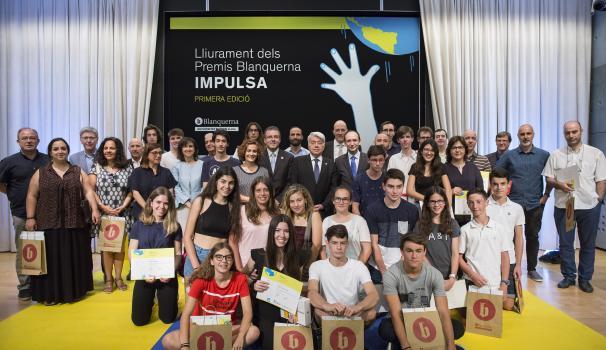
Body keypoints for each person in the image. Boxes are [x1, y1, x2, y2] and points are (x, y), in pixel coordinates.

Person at [25, 138, 100, 305]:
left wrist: (94, 209)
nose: (60, 151)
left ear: (67, 150)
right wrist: (30, 218)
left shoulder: (78, 171)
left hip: (75, 223)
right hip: (48, 224)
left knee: (73, 259)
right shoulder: (41, 172)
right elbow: (32, 195)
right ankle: (49, 295)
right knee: (51, 261)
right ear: (50, 152)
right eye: (56, 149)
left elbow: (88, 192)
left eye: (63, 148)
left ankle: (74, 292)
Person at [543, 121, 606, 293]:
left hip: (588, 206)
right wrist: (559, 184)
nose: (571, 135)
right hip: (565, 206)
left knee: (587, 244)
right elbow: (548, 179)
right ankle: (569, 276)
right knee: (565, 243)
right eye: (567, 132)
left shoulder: (596, 154)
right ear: (564, 134)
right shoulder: (556, 155)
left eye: (574, 132)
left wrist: (598, 200)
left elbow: (601, 179)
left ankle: (585, 279)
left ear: (581, 131)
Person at [161, 243, 260, 350]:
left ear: (232, 261)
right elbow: (186, 314)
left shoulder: (240, 279)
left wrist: (240, 337)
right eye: (219, 257)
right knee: (168, 340)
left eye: (228, 257)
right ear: (212, 261)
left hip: (226, 329)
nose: (224, 261)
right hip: (201, 329)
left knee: (253, 332)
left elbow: (248, 312)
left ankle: (207, 346)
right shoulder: (201, 281)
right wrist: (185, 345)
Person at [379, 233, 462, 350]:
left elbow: (443, 312)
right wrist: (406, 347)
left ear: (424, 253)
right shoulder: (391, 275)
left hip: (425, 318)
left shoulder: (434, 274)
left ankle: (433, 342)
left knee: (457, 328)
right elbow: (395, 314)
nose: (414, 256)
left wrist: (450, 345)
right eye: (409, 251)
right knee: (385, 330)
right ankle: (404, 343)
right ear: (401, 252)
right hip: (402, 318)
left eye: (418, 251)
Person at [0, 128, 49, 301]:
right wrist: (13, 194)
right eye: (25, 138)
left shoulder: (47, 160)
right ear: (18, 141)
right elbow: (1, 184)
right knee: (26, 250)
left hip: (47, 213)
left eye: (32, 138)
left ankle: (43, 284)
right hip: (21, 213)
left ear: (38, 140)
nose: (29, 141)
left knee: (47, 249)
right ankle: (25, 286)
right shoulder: (8, 162)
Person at [497, 123, 551, 281]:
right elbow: (497, 173)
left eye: (528, 133)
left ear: (533, 134)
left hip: (535, 204)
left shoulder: (544, 155)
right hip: (513, 204)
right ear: (518, 136)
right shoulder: (509, 155)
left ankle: (532, 269)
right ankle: (512, 268)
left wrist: (546, 196)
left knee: (533, 236)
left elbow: (551, 177)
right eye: (522, 134)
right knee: (512, 237)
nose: (525, 137)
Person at [129, 187, 182, 326]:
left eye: (166, 203)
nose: (162, 206)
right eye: (158, 202)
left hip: (167, 276)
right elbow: (132, 251)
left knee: (167, 319)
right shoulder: (138, 225)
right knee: (139, 321)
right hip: (145, 275)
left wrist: (171, 272)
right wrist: (142, 273)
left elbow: (178, 254)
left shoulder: (175, 226)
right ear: (151, 203)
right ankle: (150, 301)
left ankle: (170, 298)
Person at [182, 166, 243, 284]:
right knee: (192, 301)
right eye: (223, 181)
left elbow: (232, 242)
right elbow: (187, 237)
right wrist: (196, 267)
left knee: (212, 301)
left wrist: (240, 269)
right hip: (196, 255)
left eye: (231, 183)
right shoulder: (201, 201)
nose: (227, 186)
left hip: (220, 259)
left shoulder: (233, 207)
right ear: (216, 182)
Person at [308, 225, 378, 325]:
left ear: (347, 244)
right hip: (329, 313)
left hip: (352, 314)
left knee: (371, 313)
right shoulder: (317, 266)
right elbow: (312, 292)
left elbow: (373, 295)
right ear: (327, 243)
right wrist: (327, 305)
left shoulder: (358, 266)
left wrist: (358, 307)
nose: (339, 247)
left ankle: (349, 332)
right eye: (334, 243)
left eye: (343, 243)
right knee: (318, 311)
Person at [89, 137, 133, 293]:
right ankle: (108, 279)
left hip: (122, 212)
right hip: (104, 214)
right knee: (107, 249)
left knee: (120, 248)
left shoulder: (128, 167)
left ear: (118, 150)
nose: (108, 151)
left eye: (112, 148)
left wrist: (123, 205)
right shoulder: (97, 166)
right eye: (106, 148)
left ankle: (119, 277)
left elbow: (131, 190)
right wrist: (102, 206)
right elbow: (90, 189)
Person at [250, 215, 301, 350]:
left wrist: (295, 315)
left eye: (286, 231)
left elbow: (300, 291)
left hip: (288, 315)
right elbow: (244, 278)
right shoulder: (258, 255)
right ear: (271, 232)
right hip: (264, 316)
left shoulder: (298, 257)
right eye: (277, 230)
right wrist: (253, 285)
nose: (282, 235)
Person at [458, 189, 512, 304]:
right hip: (471, 282)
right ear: (467, 204)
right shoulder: (464, 230)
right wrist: (473, 275)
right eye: (471, 202)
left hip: (494, 283)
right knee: (469, 319)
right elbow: (458, 257)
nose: (475, 206)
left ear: (486, 203)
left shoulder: (499, 228)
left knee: (505, 306)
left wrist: (504, 283)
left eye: (478, 202)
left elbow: (505, 257)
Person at [367, 169, 419, 284]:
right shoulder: (372, 209)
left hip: (403, 266)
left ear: (403, 187)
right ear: (383, 186)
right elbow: (374, 244)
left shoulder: (412, 210)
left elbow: (411, 242)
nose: (395, 191)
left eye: (399, 187)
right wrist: (384, 272)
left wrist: (399, 267)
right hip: (377, 268)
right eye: (390, 186)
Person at [486, 168, 524, 310]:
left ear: (509, 184)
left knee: (507, 305)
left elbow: (519, 238)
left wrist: (519, 264)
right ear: (490, 184)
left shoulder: (517, 208)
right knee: (489, 304)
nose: (499, 187)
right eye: (495, 184)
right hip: (488, 260)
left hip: (510, 260)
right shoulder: (483, 205)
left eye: (503, 183)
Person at [413, 187, 460, 287]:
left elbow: (455, 253)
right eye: (433, 201)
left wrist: (452, 277)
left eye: (440, 201)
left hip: (449, 277)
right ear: (427, 204)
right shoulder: (420, 225)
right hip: (427, 276)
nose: (436, 205)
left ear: (445, 203)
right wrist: (434, 275)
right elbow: (419, 252)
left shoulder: (453, 223)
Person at [290, 131, 338, 217]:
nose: (316, 145)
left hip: (325, 212)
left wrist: (324, 205)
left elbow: (334, 188)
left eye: (319, 143)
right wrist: (303, 203)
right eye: (313, 143)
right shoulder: (298, 162)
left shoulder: (331, 164)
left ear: (324, 145)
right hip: (302, 210)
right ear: (308, 145)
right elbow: (294, 185)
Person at [281, 184, 322, 281]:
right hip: (286, 265)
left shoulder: (314, 215)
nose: (296, 204)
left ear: (306, 200)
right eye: (292, 201)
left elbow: (317, 245)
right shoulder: (284, 215)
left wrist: (306, 268)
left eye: (299, 200)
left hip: (306, 267)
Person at [238, 177, 279, 272]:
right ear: (253, 193)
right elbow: (232, 241)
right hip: (245, 267)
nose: (262, 194)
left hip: (269, 268)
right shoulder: (242, 211)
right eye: (258, 190)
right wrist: (239, 267)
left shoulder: (277, 213)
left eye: (266, 190)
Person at [320, 187, 371, 263]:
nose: (341, 202)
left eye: (345, 199)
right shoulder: (326, 221)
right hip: (331, 269)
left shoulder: (360, 221)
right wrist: (326, 267)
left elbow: (367, 249)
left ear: (350, 202)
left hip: (354, 268)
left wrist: (357, 268)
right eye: (338, 198)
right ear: (333, 201)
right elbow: (323, 249)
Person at [128, 143, 177, 220]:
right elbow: (135, 193)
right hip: (142, 214)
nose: (158, 155)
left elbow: (170, 193)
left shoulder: (166, 172)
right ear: (147, 155)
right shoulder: (137, 172)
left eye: (160, 153)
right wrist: (148, 209)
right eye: (154, 153)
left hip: (162, 215)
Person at [443, 136, 483, 226]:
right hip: (451, 214)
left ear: (465, 149)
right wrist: (451, 191)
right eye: (454, 148)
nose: (457, 150)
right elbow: (437, 191)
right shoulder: (443, 168)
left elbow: (481, 189)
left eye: (460, 147)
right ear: (449, 150)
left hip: (472, 211)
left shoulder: (473, 167)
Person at [170, 137, 204, 232]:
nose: (188, 149)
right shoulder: (177, 166)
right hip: (182, 206)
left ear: (195, 149)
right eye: (185, 147)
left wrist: (197, 201)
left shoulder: (203, 165)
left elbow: (205, 186)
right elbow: (175, 187)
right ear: (181, 149)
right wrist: (186, 202)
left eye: (190, 146)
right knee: (183, 234)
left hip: (200, 205)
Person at [406, 139, 453, 204]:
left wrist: (448, 207)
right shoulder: (415, 167)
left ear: (436, 153)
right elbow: (409, 191)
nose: (429, 153)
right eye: (426, 149)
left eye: (432, 150)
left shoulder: (441, 166)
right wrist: (428, 199)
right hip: (421, 203)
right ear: (421, 151)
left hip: (438, 204)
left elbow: (448, 190)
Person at [258, 125, 294, 202]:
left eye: (276, 137)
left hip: (282, 202)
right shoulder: (258, 157)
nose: (273, 139)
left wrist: (279, 200)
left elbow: (290, 182)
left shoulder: (289, 157)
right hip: (262, 200)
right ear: (265, 140)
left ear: (280, 139)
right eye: (270, 137)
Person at [352, 145, 386, 216]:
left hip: (384, 220)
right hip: (364, 220)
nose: (377, 163)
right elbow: (355, 206)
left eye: (381, 160)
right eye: (374, 160)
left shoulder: (388, 179)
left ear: (384, 160)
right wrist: (361, 223)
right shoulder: (359, 179)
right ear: (368, 160)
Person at [387, 126, 417, 197]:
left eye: (407, 137)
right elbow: (390, 179)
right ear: (398, 140)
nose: (405, 139)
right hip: (398, 197)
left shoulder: (419, 157)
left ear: (412, 139)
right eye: (402, 137)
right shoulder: (393, 158)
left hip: (416, 198)